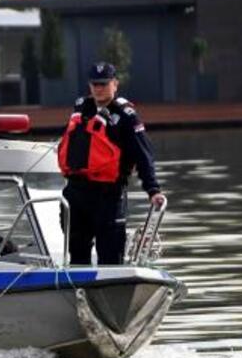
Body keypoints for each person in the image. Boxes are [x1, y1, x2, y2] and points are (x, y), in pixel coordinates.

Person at [58, 62, 165, 265]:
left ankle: (112, 282)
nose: (98, 89)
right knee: (77, 255)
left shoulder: (126, 116)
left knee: (110, 256)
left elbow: (143, 155)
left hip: (107, 196)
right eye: (95, 84)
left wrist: (153, 190)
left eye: (104, 84)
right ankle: (77, 282)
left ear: (115, 84)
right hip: (76, 193)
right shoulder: (81, 109)